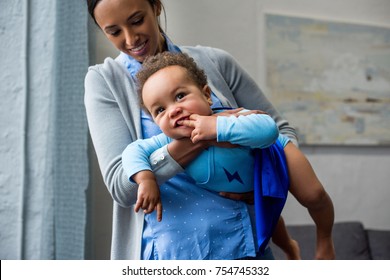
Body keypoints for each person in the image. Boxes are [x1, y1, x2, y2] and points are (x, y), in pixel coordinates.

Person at [84, 0, 335, 260]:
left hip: (247, 246)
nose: (130, 38)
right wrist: (207, 133)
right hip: (173, 253)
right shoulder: (104, 81)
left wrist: (261, 179)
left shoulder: (215, 62)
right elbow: (121, 185)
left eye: (137, 20)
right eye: (114, 32)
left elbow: (279, 129)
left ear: (156, 6)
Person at [122, 51, 331, 259]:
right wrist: (145, 179)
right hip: (251, 192)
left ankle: (324, 239)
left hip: (274, 155)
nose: (173, 111)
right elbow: (133, 151)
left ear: (206, 95)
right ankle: (289, 247)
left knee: (314, 195)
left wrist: (216, 127)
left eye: (180, 96)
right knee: (268, 216)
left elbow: (268, 130)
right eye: (160, 110)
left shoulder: (227, 118)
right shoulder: (168, 142)